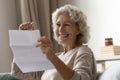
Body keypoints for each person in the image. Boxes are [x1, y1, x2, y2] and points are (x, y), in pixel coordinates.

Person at [11, 4, 97, 80]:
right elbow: (18, 72)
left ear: (78, 29)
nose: (61, 29)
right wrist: (22, 38)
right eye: (58, 24)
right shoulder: (57, 56)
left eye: (66, 24)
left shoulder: (83, 51)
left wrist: (52, 57)